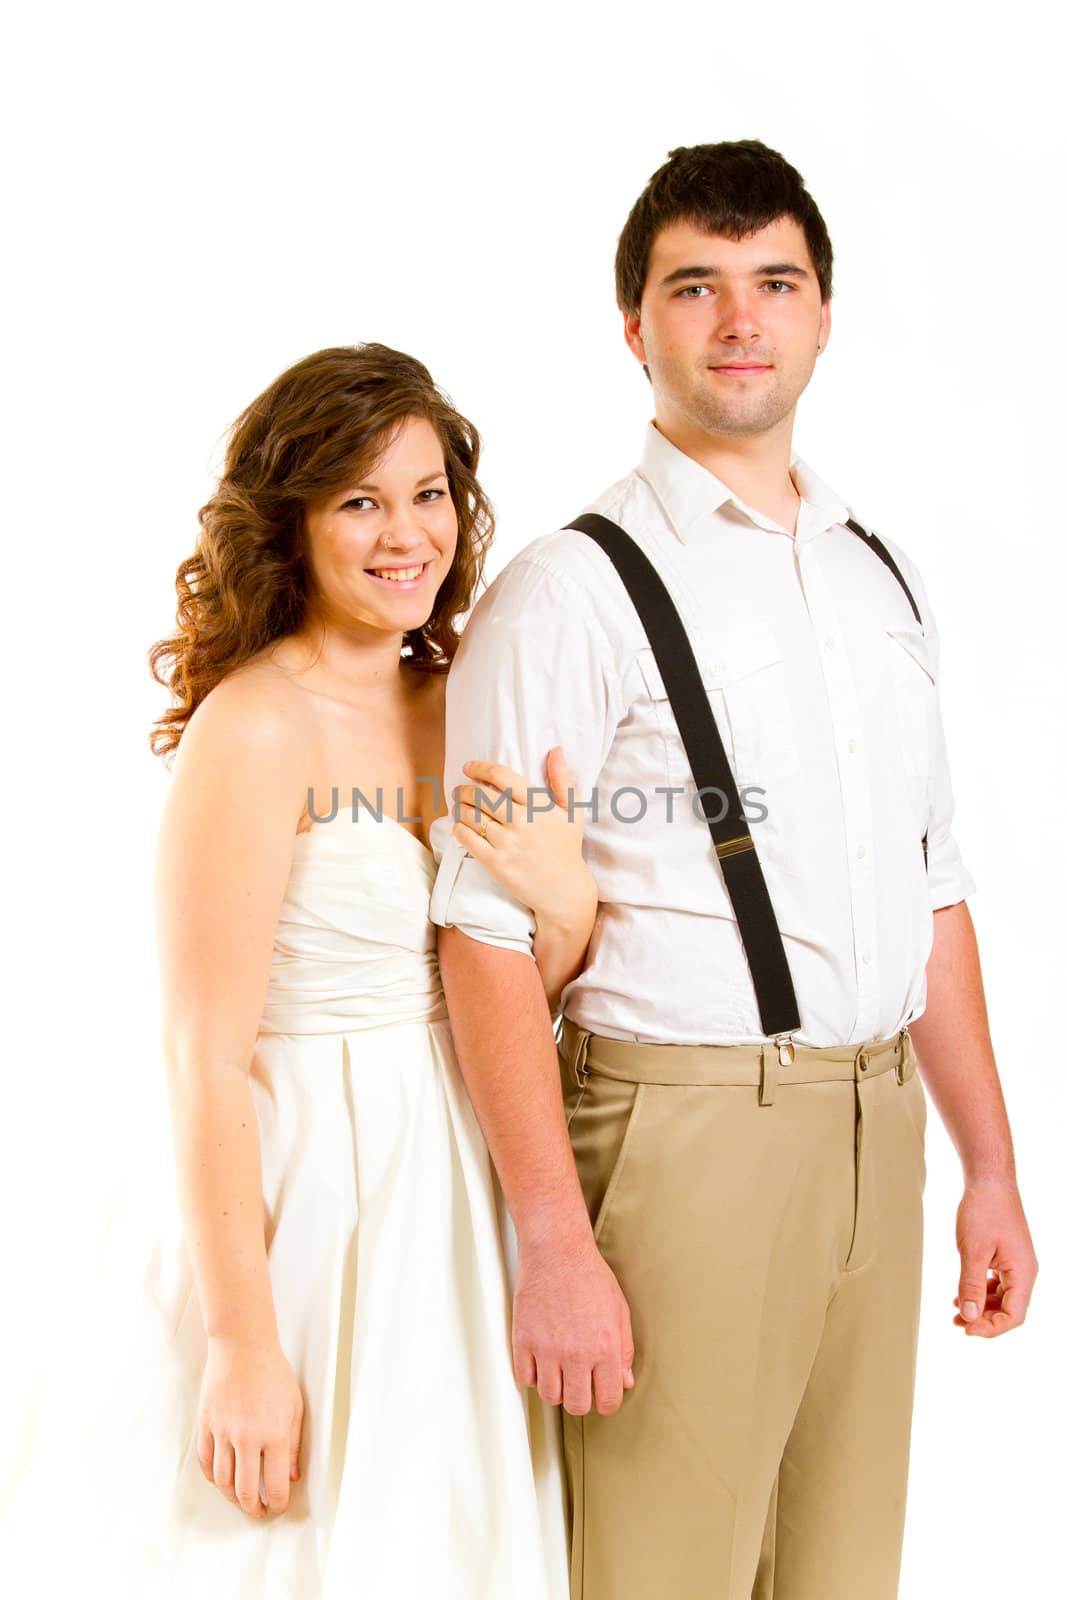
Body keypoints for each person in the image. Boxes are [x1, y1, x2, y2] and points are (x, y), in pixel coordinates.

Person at [428, 142, 1039, 1600]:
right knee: (660, 1578)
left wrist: (990, 1167)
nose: (738, 319)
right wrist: (553, 1244)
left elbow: (932, 882)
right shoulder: (568, 588)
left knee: (841, 1579)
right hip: (676, 1140)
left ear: (823, 314)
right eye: (692, 288)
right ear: (635, 329)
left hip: (873, 1131)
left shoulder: (871, 569)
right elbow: (480, 933)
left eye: (772, 283)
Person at [11, 345, 580, 1598]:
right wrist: (241, 1342)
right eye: (359, 501)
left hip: (465, 1170)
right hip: (309, 1190)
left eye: (427, 493)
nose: (404, 535)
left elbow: (532, 972)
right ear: (296, 523)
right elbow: (200, 1054)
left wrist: (565, 892)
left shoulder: (467, 694)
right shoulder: (257, 724)